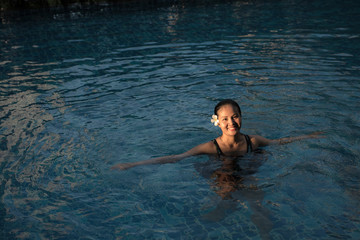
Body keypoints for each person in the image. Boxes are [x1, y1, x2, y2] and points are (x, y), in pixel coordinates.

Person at [111, 99, 323, 171]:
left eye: (235, 116)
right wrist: (132, 165)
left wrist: (309, 137)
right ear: (218, 123)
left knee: (255, 192)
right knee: (225, 186)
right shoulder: (211, 147)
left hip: (247, 164)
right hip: (219, 166)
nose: (231, 123)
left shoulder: (253, 141)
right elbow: (176, 158)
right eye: (225, 119)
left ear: (241, 117)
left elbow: (280, 142)